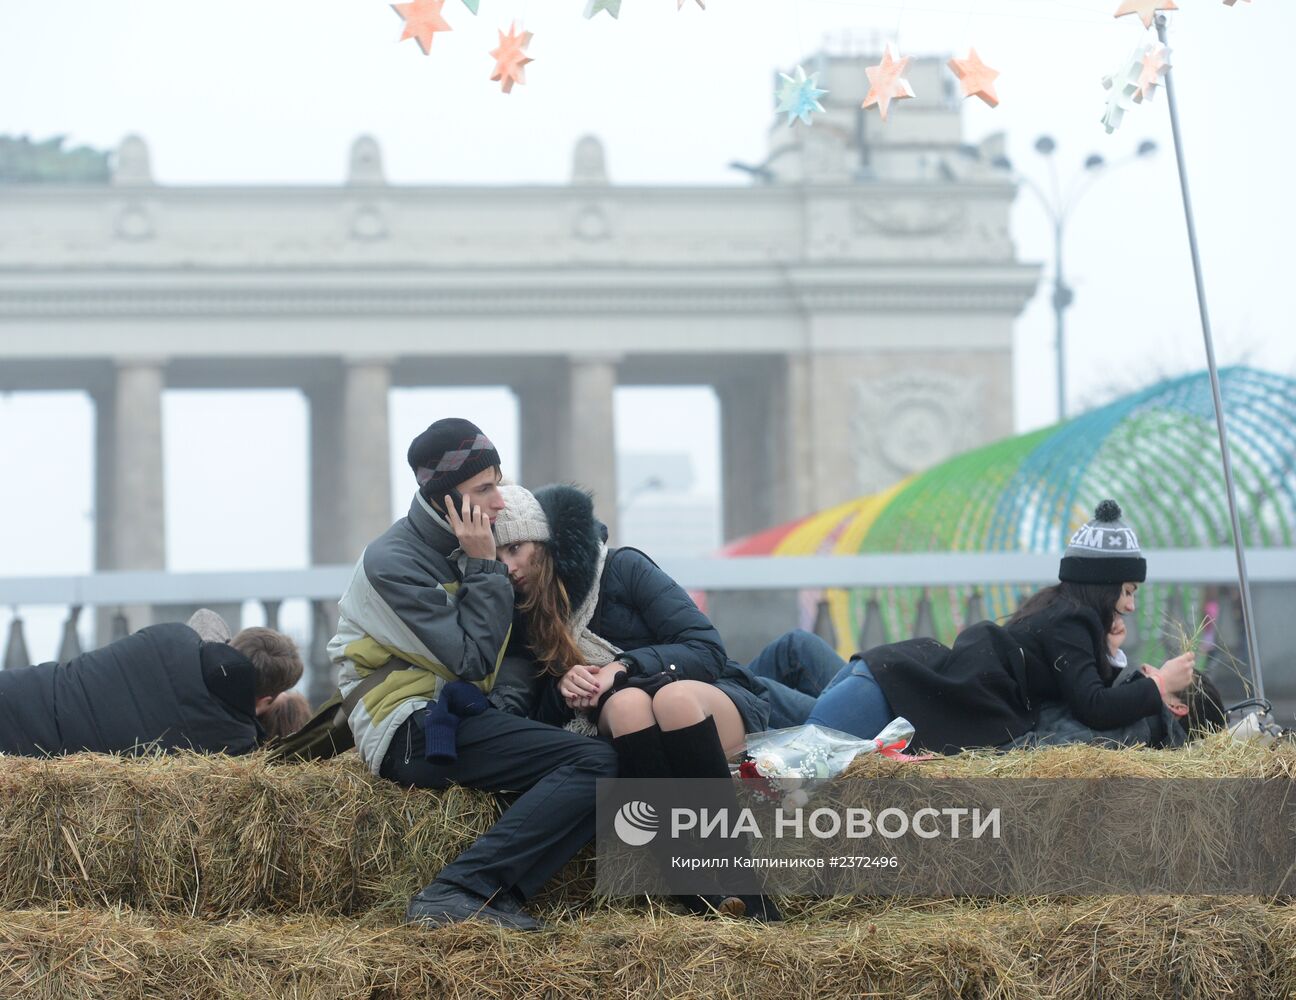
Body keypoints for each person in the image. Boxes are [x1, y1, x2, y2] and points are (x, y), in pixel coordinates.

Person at [326, 418, 618, 933]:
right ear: (444, 498)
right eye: (485, 489)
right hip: (409, 730)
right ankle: (460, 889)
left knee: (593, 759)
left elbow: (510, 655)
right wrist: (485, 567)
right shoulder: (393, 561)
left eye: (499, 483)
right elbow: (473, 659)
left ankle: (490, 895)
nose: (501, 502)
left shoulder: (467, 542)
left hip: (454, 715)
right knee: (595, 763)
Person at [491, 482, 779, 921]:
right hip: (628, 729)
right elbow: (538, 718)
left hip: (700, 702)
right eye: (496, 556)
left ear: (544, 543)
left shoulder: (623, 567)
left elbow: (705, 648)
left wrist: (622, 666)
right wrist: (564, 687)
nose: (508, 566)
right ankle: (687, 881)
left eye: (515, 547)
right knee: (626, 706)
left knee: (671, 699)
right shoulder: (521, 617)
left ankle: (741, 877)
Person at [806, 501, 1198, 754]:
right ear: (1103, 587)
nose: (1130, 605)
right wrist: (1160, 684)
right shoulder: (1071, 620)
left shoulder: (1060, 612)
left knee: (779, 736)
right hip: (888, 696)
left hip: (887, 682)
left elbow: (1069, 688)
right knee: (782, 764)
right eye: (1127, 591)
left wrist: (1109, 656)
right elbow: (1092, 705)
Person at [0, 609, 302, 756]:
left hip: (15, 692)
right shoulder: (232, 744)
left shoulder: (172, 637)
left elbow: (206, 619)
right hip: (24, 746)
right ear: (266, 700)